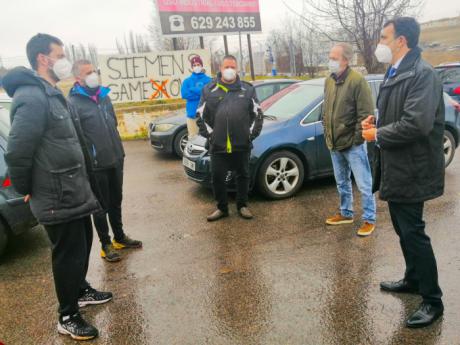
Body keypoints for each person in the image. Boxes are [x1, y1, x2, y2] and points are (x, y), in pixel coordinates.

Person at [3, 34, 112, 341]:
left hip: (73, 189)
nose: (64, 60)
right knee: (67, 255)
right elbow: (18, 149)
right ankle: (67, 315)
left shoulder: (49, 92)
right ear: (43, 59)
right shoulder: (32, 96)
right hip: (55, 195)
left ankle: (80, 291)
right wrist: (26, 187)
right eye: (59, 54)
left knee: (83, 244)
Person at [362, 17, 445, 328]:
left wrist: (378, 135)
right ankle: (413, 279)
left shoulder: (422, 74)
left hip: (414, 167)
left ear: (401, 41)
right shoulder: (395, 71)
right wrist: (375, 121)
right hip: (397, 166)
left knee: (413, 232)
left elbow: (417, 123)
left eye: (384, 37)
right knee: (402, 229)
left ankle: (432, 300)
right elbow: (395, 112)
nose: (380, 44)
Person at [69, 60, 142, 263]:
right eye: (87, 73)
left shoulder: (104, 96)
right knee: (100, 206)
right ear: (78, 78)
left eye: (94, 71)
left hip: (115, 158)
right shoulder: (74, 103)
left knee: (116, 200)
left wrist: (118, 150)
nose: (93, 75)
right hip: (96, 164)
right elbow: (78, 137)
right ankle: (106, 244)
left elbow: (113, 123)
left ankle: (119, 237)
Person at [196, 55, 263, 221]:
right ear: (220, 68)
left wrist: (250, 136)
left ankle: (242, 205)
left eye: (232, 67)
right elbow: (200, 116)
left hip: (242, 144)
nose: (229, 70)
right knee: (217, 178)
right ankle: (222, 208)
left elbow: (258, 114)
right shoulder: (209, 89)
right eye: (226, 67)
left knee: (243, 176)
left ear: (237, 69)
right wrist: (211, 136)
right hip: (218, 145)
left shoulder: (247, 89)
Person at [322, 43, 377, 236]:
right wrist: (327, 131)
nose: (331, 61)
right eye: (330, 57)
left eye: (334, 58)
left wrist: (355, 140)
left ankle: (369, 219)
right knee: (341, 182)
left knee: (364, 183)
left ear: (345, 60)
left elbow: (366, 114)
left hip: (353, 145)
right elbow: (326, 109)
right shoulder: (329, 80)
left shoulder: (357, 81)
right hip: (334, 143)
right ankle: (346, 213)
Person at [181, 56, 211, 139]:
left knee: (207, 138)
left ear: (201, 65)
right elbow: (184, 94)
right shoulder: (187, 81)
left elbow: (209, 94)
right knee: (193, 138)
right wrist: (201, 92)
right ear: (192, 67)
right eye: (194, 65)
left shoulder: (209, 80)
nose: (196, 66)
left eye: (198, 64)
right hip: (192, 115)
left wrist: (193, 89)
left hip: (206, 115)